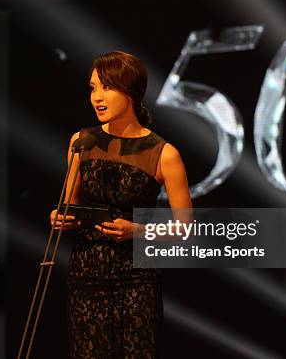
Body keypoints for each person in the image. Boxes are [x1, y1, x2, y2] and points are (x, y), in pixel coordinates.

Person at [50, 51, 191, 358]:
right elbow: (68, 206)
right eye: (92, 88)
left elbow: (184, 229)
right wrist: (60, 217)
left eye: (107, 88)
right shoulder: (82, 142)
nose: (97, 97)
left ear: (130, 93)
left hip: (136, 281)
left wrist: (137, 231)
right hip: (86, 275)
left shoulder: (163, 153)